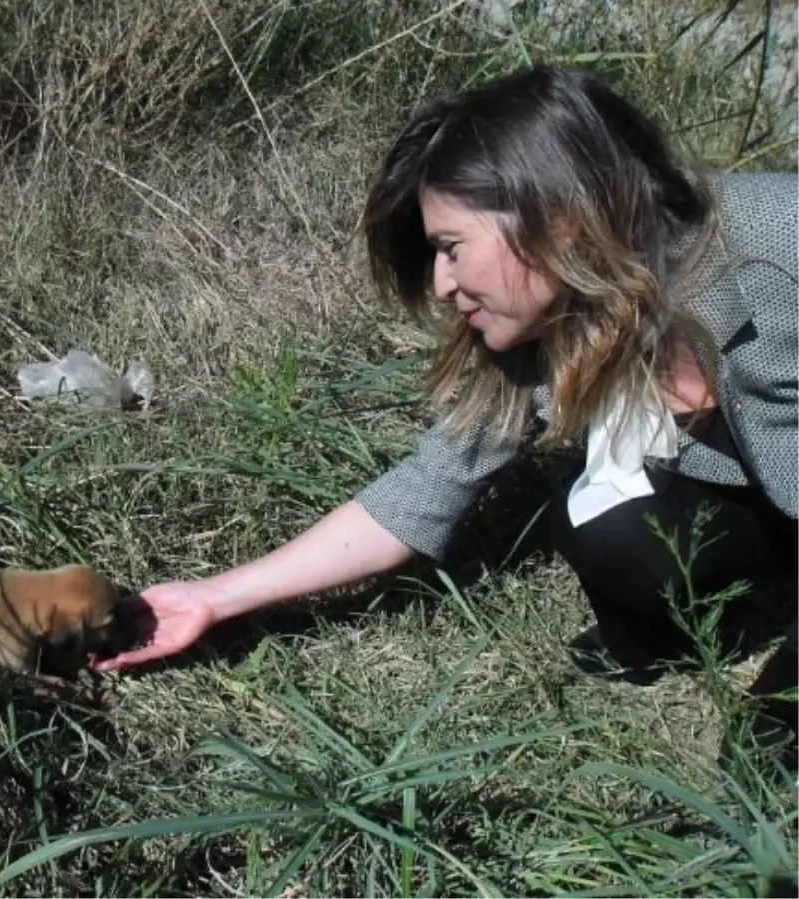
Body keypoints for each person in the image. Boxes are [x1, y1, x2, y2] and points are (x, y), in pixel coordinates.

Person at [94, 65, 799, 770]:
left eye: (451, 247)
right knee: (612, 533)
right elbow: (425, 489)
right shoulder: (558, 318)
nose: (440, 283)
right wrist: (212, 597)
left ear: (557, 219)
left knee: (764, 762)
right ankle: (720, 617)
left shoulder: (775, 255)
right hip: (767, 494)